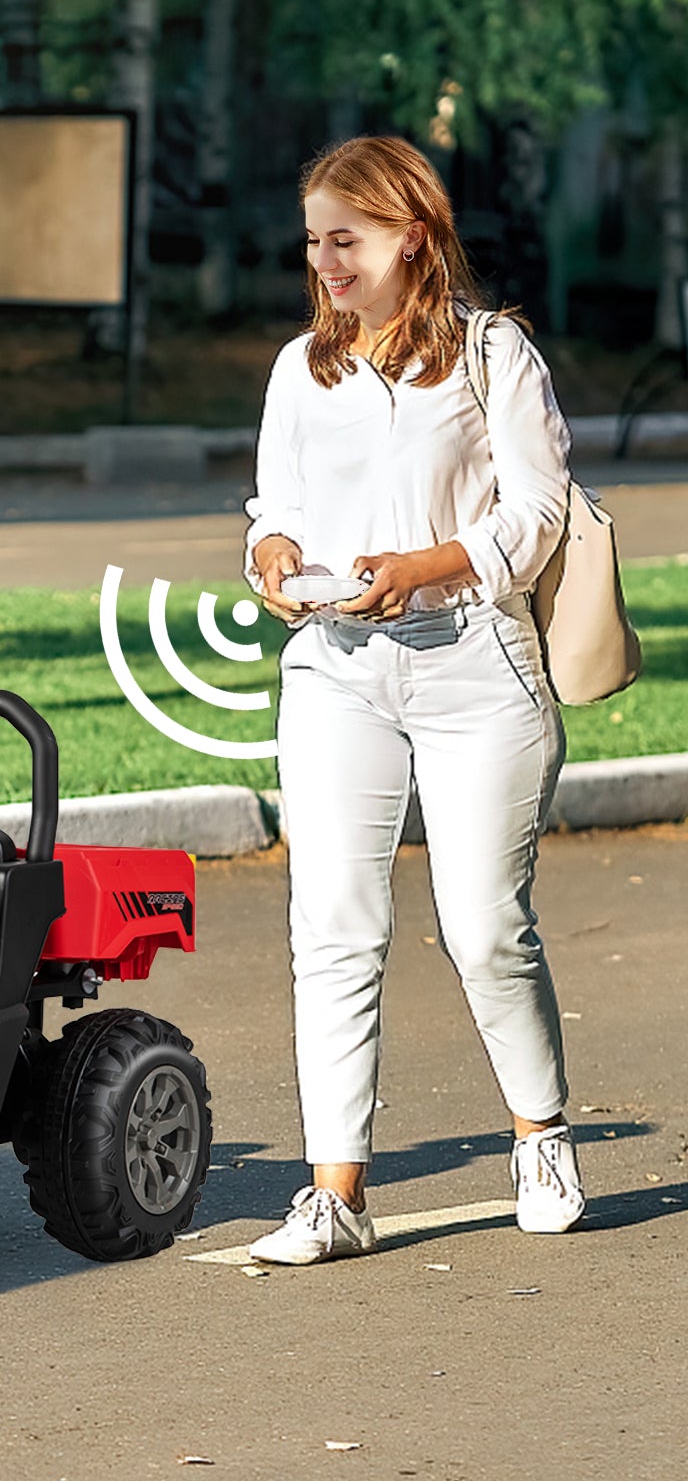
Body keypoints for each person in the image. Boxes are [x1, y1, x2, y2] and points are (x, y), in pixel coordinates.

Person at [243, 136, 584, 1264]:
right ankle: (333, 1195)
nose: (324, 259)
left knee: (484, 927)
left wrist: (425, 565)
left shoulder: (493, 357)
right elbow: (272, 503)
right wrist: (272, 550)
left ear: (413, 235)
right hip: (334, 670)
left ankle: (540, 1134)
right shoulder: (304, 368)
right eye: (312, 240)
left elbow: (535, 517)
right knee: (331, 929)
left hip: (473, 665)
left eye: (346, 236)